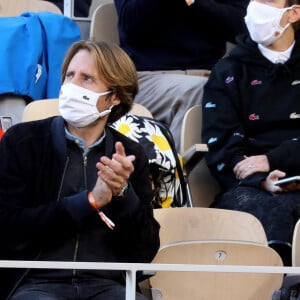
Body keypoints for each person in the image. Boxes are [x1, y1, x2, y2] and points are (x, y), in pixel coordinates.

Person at [0, 40, 160, 299]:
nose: (72, 86)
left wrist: (123, 195)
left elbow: (143, 252)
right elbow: (8, 229)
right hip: (35, 283)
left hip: (106, 285)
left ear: (115, 96)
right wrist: (88, 202)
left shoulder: (130, 154)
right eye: (69, 76)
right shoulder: (22, 141)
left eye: (86, 79)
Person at [201, 0, 300, 266]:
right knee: (269, 212)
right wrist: (262, 179)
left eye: (267, 1)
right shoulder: (227, 72)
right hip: (250, 187)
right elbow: (221, 149)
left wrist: (275, 159)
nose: (256, 7)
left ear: (294, 12)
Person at [114, 0, 249, 151]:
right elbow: (131, 25)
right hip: (145, 76)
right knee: (204, 91)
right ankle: (175, 172)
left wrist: (196, 3)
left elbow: (243, 28)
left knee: (256, 92)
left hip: (210, 74)